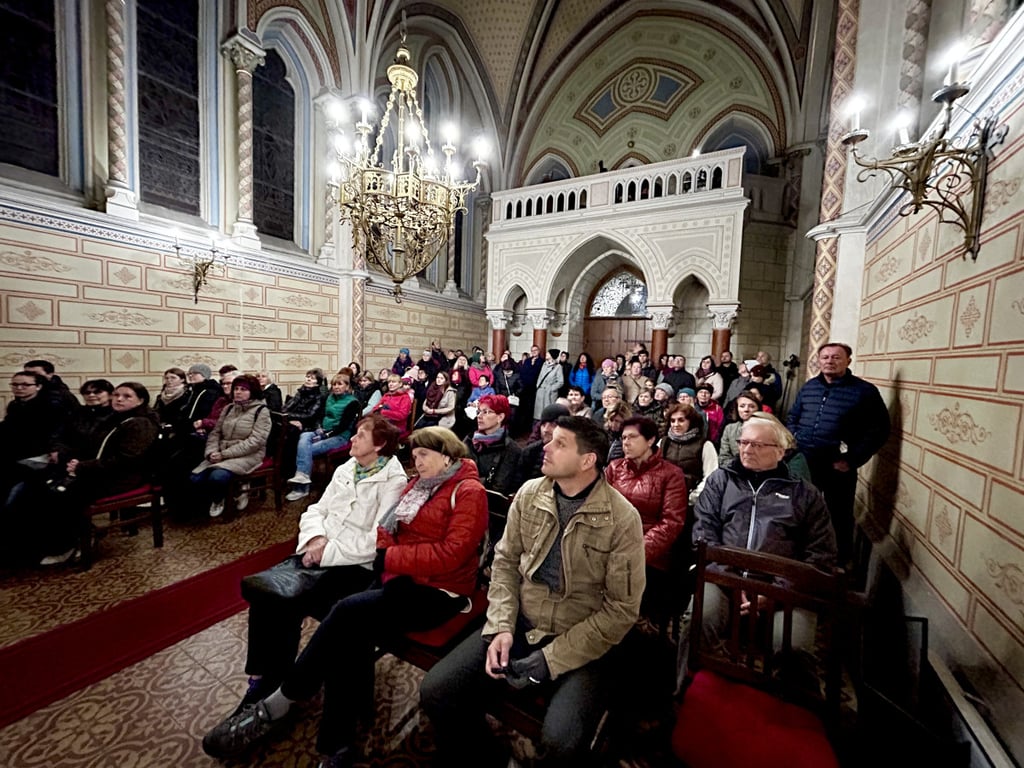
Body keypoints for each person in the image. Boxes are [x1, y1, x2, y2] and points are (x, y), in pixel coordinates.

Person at [202, 427, 488, 767]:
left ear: (447, 455)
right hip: (399, 580)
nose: (416, 460)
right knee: (347, 634)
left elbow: (451, 554)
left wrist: (391, 557)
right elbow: (385, 530)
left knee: (346, 613)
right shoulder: (419, 486)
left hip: (438, 591)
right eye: (414, 454)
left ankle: (283, 699)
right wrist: (379, 552)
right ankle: (334, 745)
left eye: (424, 454)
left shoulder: (468, 491)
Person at [420, 416, 645, 767]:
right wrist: (501, 627)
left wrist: (552, 659)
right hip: (524, 621)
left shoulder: (622, 518)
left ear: (588, 461)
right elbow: (505, 564)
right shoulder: (530, 493)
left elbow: (620, 610)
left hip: (583, 636)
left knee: (561, 741)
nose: (546, 447)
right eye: (549, 439)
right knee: (437, 691)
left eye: (560, 443)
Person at [228, 416, 408, 713]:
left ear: (379, 445)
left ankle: (283, 687)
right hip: (319, 551)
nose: (352, 439)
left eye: (360, 435)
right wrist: (314, 539)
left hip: (352, 566)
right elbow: (317, 509)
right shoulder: (347, 468)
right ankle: (265, 680)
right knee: (267, 594)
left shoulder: (394, 481)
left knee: (291, 601)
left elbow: (376, 538)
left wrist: (326, 552)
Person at [685, 414, 836, 682]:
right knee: (697, 620)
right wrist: (727, 577)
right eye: (743, 442)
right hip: (723, 579)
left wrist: (776, 590)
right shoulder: (722, 480)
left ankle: (788, 714)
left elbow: (820, 556)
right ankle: (688, 693)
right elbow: (703, 534)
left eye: (757, 445)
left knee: (795, 647)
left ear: (780, 451)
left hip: (784, 590)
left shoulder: (805, 494)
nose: (746, 449)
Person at [36, 382, 161, 565]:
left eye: (127, 396)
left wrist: (83, 467)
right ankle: (58, 539)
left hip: (125, 477)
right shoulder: (115, 418)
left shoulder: (140, 423)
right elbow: (93, 447)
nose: (119, 399)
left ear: (140, 400)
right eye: (117, 395)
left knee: (65, 494)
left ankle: (71, 544)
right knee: (43, 487)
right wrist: (75, 462)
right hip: (103, 470)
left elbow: (125, 460)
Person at [787, 342, 890, 563]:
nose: (829, 361)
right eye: (825, 357)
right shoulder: (809, 387)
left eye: (836, 357)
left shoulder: (864, 391)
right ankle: (801, 559)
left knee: (839, 515)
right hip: (805, 461)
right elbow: (793, 417)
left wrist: (852, 460)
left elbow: (879, 430)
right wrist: (795, 438)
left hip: (837, 464)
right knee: (801, 509)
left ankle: (839, 564)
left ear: (848, 361)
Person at [604, 416, 688, 618]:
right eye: (623, 438)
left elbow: (671, 522)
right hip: (610, 547)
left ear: (650, 441)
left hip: (649, 555)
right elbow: (598, 508)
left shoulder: (671, 474)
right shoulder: (615, 468)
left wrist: (635, 552)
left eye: (632, 437)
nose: (626, 443)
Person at [190, 374, 272, 518]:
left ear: (252, 391)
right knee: (195, 478)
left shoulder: (261, 411)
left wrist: (224, 454)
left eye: (243, 389)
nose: (238, 392)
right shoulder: (228, 408)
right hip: (223, 451)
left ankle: (220, 499)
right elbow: (216, 433)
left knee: (217, 477)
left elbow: (255, 442)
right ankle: (225, 492)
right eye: (236, 389)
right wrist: (211, 452)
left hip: (249, 454)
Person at [286, 370, 362, 502]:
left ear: (348, 387)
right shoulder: (329, 398)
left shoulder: (353, 402)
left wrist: (326, 434)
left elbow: (344, 426)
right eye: (334, 384)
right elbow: (321, 416)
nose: (336, 387)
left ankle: (302, 488)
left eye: (340, 384)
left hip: (339, 436)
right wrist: (319, 428)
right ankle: (302, 477)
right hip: (323, 431)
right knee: (303, 437)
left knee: (306, 449)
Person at [464, 394, 524, 553]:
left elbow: (500, 487)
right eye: (479, 412)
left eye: (486, 412)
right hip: (463, 502)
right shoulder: (470, 441)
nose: (480, 416)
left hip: (490, 511)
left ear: (500, 417)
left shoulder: (512, 450)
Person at [660, 403, 718, 503]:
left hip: (693, 502)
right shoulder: (663, 442)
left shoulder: (705, 445)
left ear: (691, 422)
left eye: (681, 420)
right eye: (672, 421)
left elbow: (711, 476)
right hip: (665, 500)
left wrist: (692, 497)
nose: (676, 424)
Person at [521, 402, 569, 480]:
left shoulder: (572, 455)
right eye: (543, 424)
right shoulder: (530, 451)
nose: (546, 430)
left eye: (553, 425)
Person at [718, 389, 763, 466]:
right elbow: (723, 458)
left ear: (758, 409)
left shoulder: (766, 430)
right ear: (737, 409)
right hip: (733, 471)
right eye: (742, 406)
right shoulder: (729, 429)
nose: (746, 410)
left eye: (751, 406)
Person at [372, 373, 413, 439]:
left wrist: (384, 412)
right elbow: (375, 408)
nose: (390, 384)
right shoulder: (386, 395)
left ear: (400, 384)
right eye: (389, 382)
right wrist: (379, 410)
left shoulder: (405, 397)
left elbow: (402, 415)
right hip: (383, 423)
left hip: (397, 426)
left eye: (393, 382)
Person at [532, 349, 564, 428]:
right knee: (538, 415)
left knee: (548, 414)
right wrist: (538, 385)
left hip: (549, 394)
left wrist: (551, 388)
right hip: (541, 392)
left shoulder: (558, 367)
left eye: (548, 353)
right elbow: (540, 376)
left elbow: (560, 382)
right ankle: (536, 430)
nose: (546, 354)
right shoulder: (544, 365)